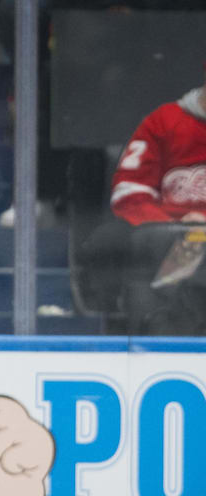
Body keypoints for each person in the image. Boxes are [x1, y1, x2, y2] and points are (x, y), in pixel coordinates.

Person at [98, 64, 206, 333]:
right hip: (168, 245)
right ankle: (163, 339)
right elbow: (129, 192)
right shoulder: (164, 121)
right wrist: (176, 226)